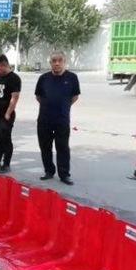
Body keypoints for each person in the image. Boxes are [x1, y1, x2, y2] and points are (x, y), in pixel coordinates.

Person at [34, 51, 80, 185]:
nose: (57, 63)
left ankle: (64, 174)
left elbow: (74, 96)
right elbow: (38, 96)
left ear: (64, 62)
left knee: (63, 148)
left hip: (62, 120)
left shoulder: (72, 77)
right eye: (54, 61)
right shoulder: (43, 78)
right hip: (44, 120)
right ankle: (49, 171)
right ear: (50, 63)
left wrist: (63, 107)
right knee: (45, 147)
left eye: (60, 60)